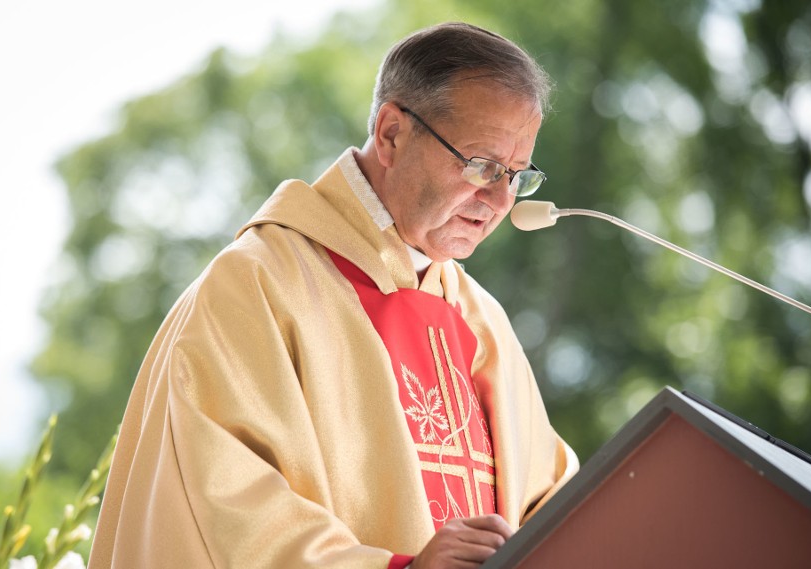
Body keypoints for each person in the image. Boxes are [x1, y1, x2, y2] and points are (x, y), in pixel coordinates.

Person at [88, 21, 578, 569]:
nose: (497, 199)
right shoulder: (258, 286)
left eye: (516, 176)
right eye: (482, 165)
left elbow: (556, 506)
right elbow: (226, 507)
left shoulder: (481, 319)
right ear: (391, 133)